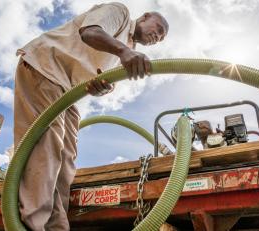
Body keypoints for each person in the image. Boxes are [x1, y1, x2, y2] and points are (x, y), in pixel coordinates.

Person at [13, 2, 168, 230]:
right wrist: (125, 52)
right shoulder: (120, 13)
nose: (159, 36)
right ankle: (32, 225)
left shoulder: (125, 46)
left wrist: (99, 86)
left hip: (67, 90)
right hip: (46, 67)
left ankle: (56, 226)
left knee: (66, 160)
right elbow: (90, 32)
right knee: (45, 148)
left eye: (162, 38)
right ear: (144, 17)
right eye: (159, 29)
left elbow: (94, 78)